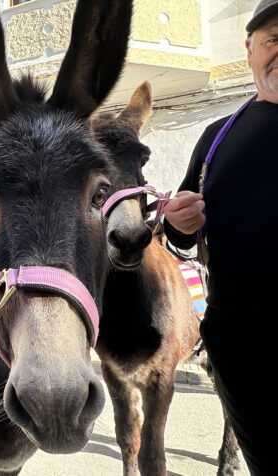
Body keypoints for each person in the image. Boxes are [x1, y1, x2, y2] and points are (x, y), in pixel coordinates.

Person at [163, 1, 278, 473]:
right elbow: (179, 236)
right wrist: (176, 220)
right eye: (273, 39)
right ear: (250, 50)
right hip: (242, 350)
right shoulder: (216, 138)